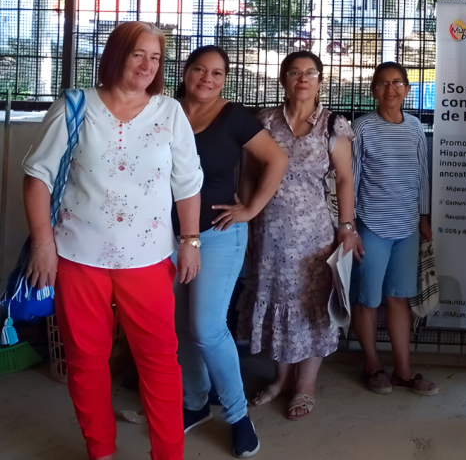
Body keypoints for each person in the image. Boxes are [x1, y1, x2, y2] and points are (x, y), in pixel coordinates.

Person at [21, 21, 203, 460]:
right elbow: (37, 177)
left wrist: (191, 240)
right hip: (78, 255)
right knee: (85, 361)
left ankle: (169, 453)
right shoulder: (76, 105)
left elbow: (187, 182)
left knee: (159, 360)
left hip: (149, 257)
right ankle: (100, 450)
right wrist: (44, 244)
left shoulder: (169, 112)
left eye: (155, 57)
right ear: (116, 54)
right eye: (138, 53)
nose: (147, 65)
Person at [173, 45, 288, 456]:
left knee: (206, 328)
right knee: (181, 329)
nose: (207, 78)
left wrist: (251, 209)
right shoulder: (166, 111)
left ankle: (238, 416)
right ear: (185, 72)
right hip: (163, 239)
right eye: (200, 70)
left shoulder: (234, 116)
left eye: (217, 73)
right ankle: (195, 403)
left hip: (217, 235)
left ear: (225, 79)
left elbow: (276, 159)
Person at [239, 51, 356, 420]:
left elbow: (344, 179)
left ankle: (305, 385)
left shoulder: (333, 125)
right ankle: (279, 379)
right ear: (283, 79)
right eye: (294, 72)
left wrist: (347, 227)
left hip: (313, 233)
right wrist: (246, 211)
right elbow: (247, 172)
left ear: (320, 80)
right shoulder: (265, 122)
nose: (302, 79)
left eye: (310, 73)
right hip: (268, 231)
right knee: (274, 300)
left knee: (311, 306)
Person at [350, 61, 437, 396]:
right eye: (383, 83)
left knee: (399, 299)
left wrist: (424, 217)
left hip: (408, 226)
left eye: (398, 83)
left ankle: (404, 371)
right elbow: (352, 180)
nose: (391, 89)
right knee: (367, 299)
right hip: (370, 225)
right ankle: (373, 366)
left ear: (407, 90)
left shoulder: (415, 128)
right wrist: (351, 226)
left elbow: (422, 178)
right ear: (374, 89)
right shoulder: (362, 129)